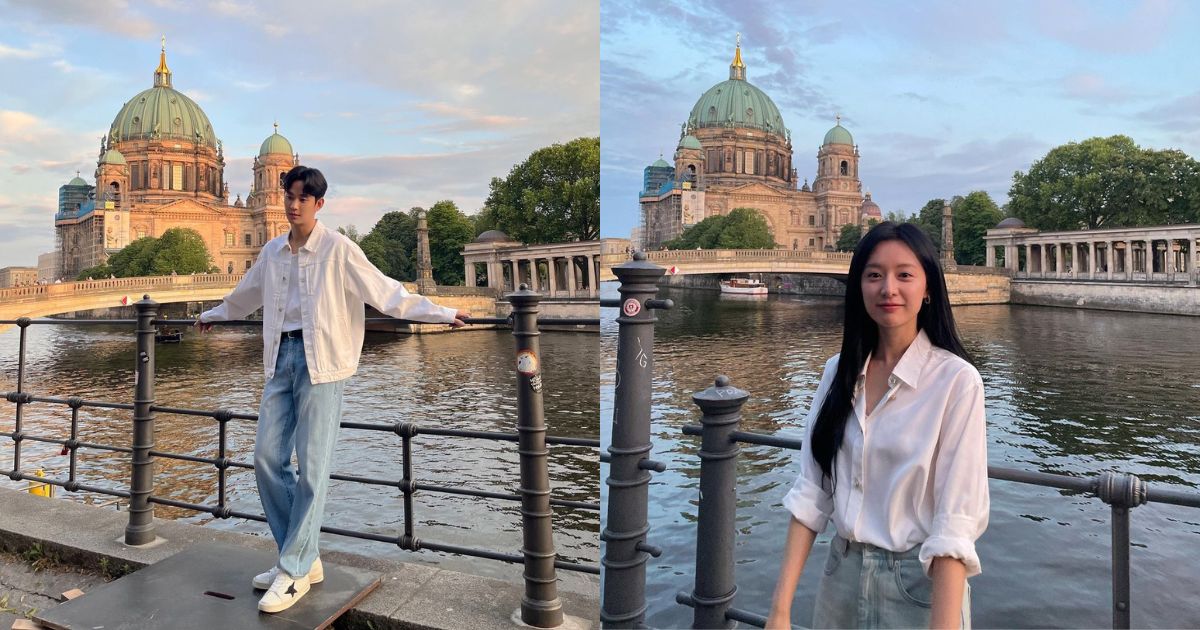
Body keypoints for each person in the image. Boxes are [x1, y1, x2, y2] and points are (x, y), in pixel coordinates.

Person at [196, 165, 469, 613]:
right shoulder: (273, 252)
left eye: (303, 198)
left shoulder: (339, 249)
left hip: (322, 362)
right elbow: (246, 296)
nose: (293, 204)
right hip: (280, 359)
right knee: (266, 457)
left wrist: (440, 313)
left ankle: (294, 566)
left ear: (319, 204)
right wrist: (212, 315)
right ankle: (300, 559)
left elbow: (387, 293)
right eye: (289, 196)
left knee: (314, 467)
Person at [765, 222, 988, 629]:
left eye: (904, 274)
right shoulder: (837, 373)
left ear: (928, 289)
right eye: (874, 275)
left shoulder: (957, 380)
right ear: (859, 287)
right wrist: (780, 611)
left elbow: (954, 525)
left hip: (918, 586)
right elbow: (813, 494)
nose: (888, 288)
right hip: (840, 579)